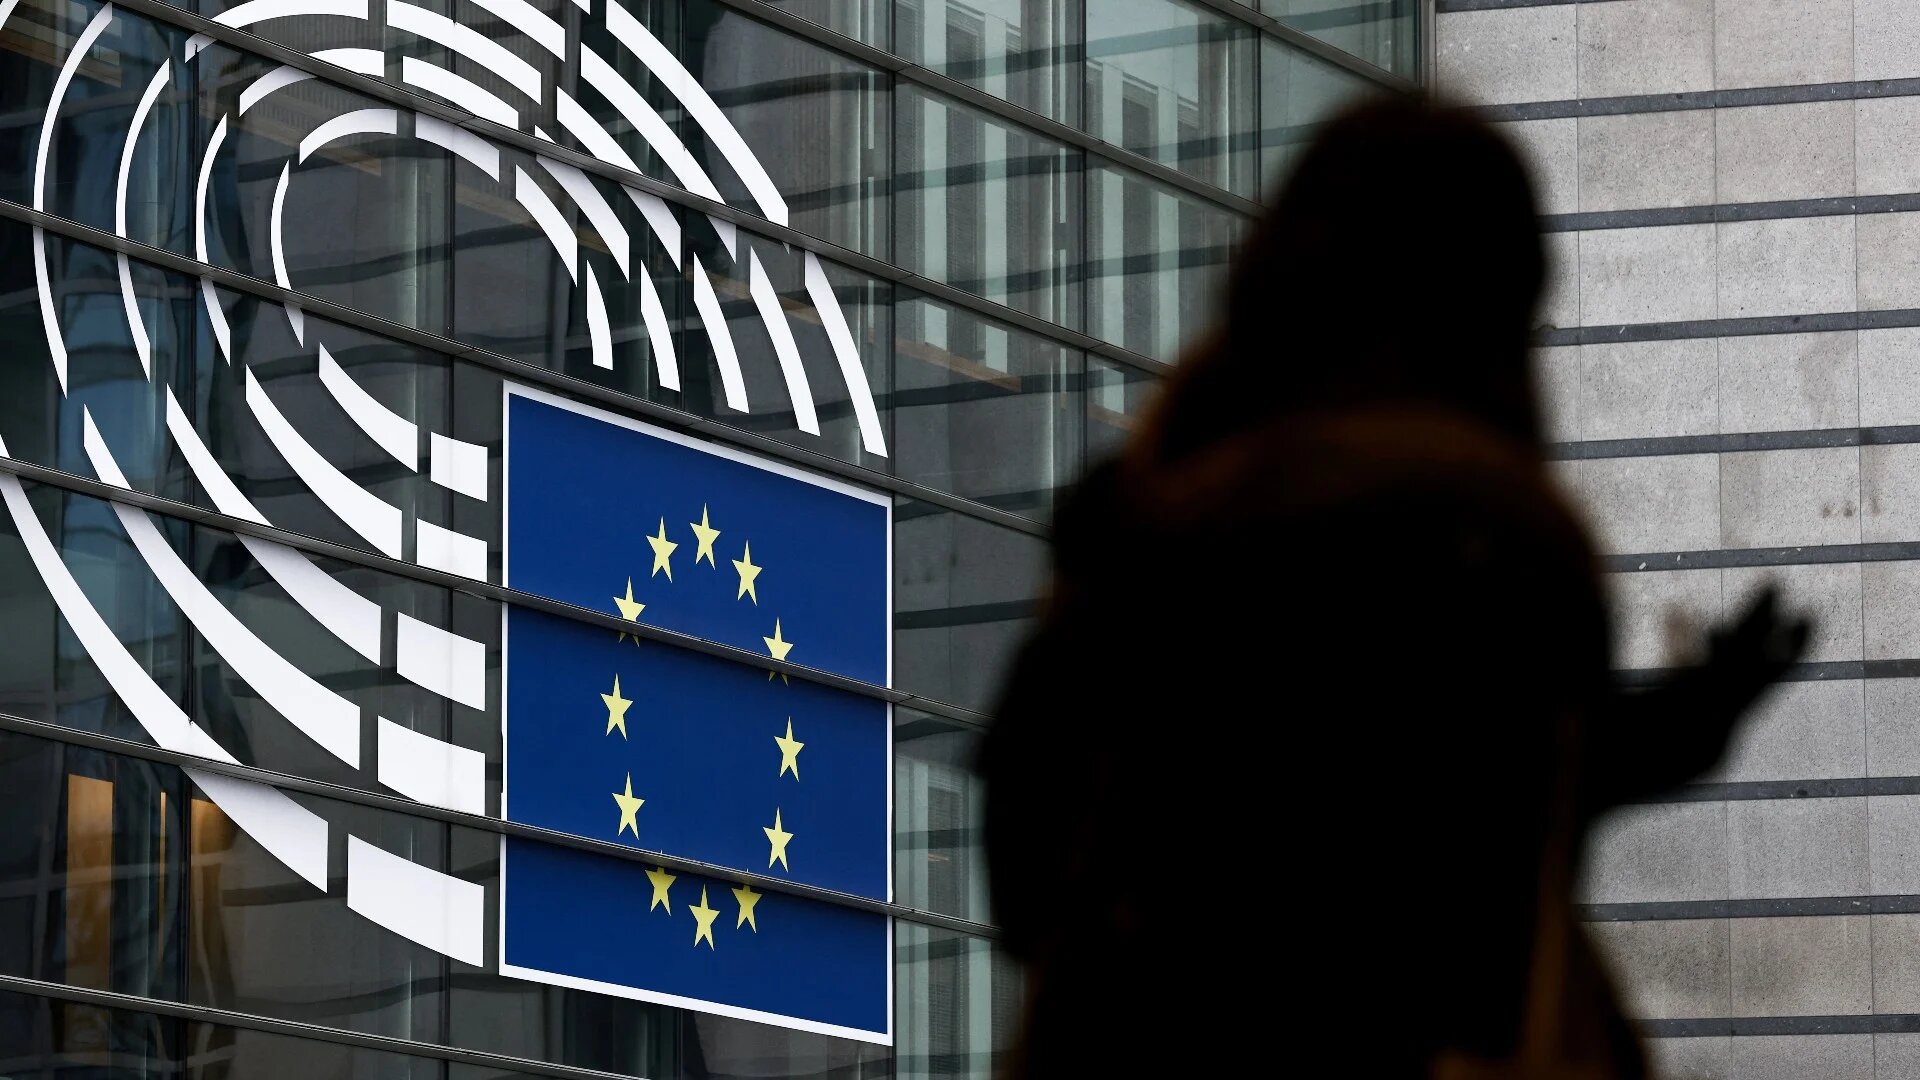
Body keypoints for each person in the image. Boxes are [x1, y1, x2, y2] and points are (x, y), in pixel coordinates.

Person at [980, 96, 1809, 1079]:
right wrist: (1678, 723)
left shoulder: (1147, 510)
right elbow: (1477, 821)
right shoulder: (1489, 529)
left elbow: (1027, 846)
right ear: (1493, 303)